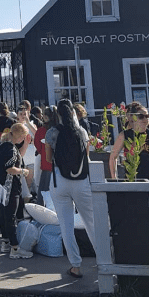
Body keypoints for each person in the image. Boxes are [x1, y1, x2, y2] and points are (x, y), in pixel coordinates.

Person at [44, 99, 96, 279]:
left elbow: (49, 159)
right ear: (73, 113)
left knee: (66, 225)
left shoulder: (52, 132)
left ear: (58, 114)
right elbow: (86, 156)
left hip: (59, 180)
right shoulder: (82, 132)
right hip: (81, 181)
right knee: (91, 222)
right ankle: (105, 261)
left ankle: (75, 266)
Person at [108, 104, 149, 182]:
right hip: (132, 179)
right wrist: (114, 177)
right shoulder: (125, 135)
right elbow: (113, 157)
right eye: (141, 116)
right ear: (133, 118)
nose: (145, 119)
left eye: (147, 116)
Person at [0, 123, 32, 258]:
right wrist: (24, 171)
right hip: (10, 186)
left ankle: (6, 242)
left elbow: (18, 158)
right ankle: (15, 248)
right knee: (10, 217)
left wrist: (26, 144)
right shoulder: (10, 149)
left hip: (3, 186)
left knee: (4, 215)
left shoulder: (5, 145)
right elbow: (10, 168)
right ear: (19, 136)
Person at [32, 105, 55, 200]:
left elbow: (37, 145)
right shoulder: (59, 129)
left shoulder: (42, 131)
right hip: (58, 167)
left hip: (46, 164)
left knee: (43, 191)